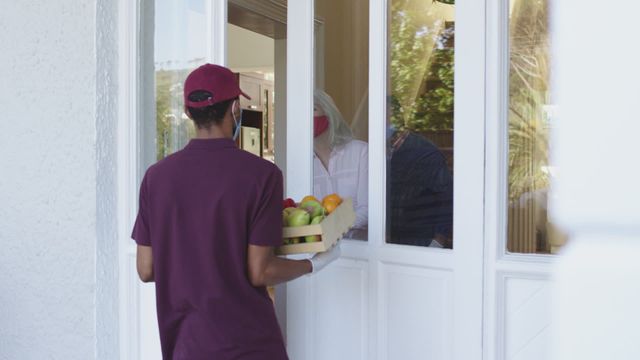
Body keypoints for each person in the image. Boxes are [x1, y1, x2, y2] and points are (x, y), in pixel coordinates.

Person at [131, 64, 341, 360]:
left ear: (189, 113)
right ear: (234, 108)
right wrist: (313, 265)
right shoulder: (262, 175)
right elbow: (260, 271)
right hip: (247, 344)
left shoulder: (156, 177)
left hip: (185, 345)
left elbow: (146, 268)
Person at [313, 89, 368, 234]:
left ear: (329, 113)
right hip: (316, 252)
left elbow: (369, 208)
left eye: (313, 109)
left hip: (358, 250)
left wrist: (329, 230)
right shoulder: (302, 164)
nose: (306, 117)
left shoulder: (361, 152)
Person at [387, 128, 453, 248]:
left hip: (421, 240)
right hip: (391, 239)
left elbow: (447, 198)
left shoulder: (426, 155)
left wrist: (438, 240)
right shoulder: (389, 155)